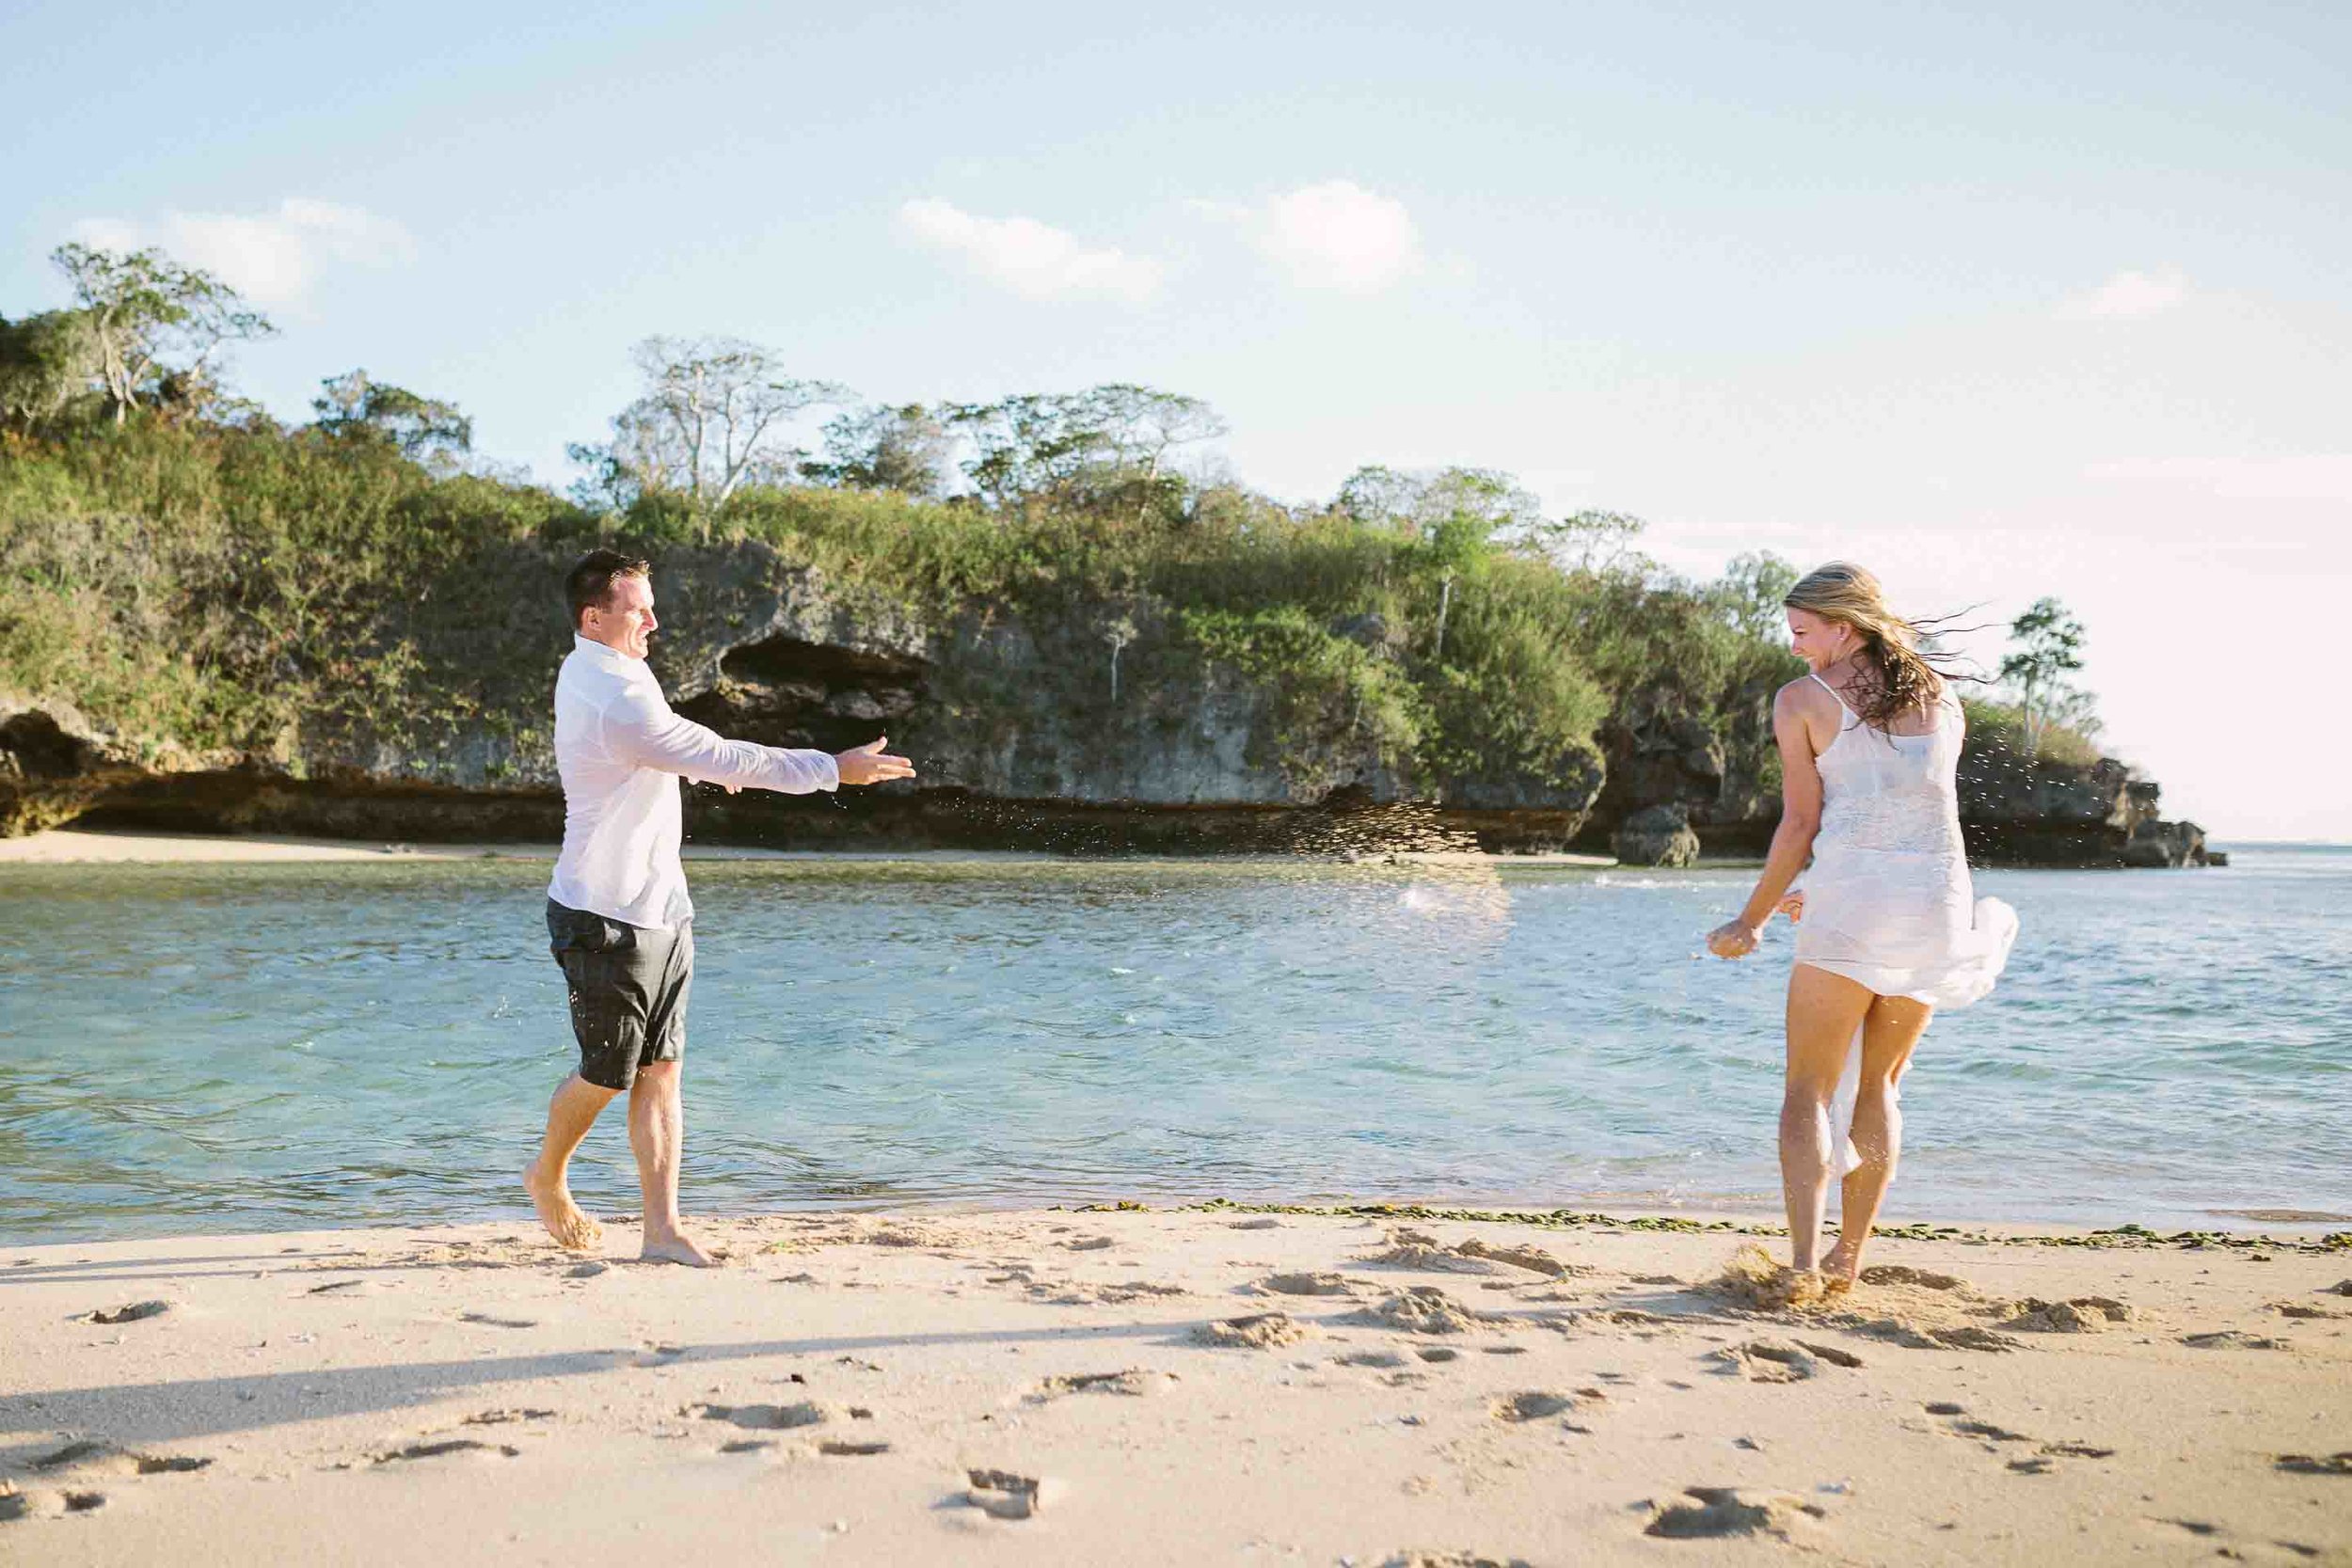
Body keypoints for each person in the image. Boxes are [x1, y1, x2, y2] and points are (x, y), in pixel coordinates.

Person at [522, 549, 914, 1265]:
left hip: (662, 904)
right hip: (603, 912)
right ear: (594, 616)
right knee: (607, 1072)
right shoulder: (613, 691)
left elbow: (671, 750)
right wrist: (834, 769)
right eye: (638, 608)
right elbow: (714, 752)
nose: (653, 619)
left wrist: (697, 763)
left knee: (661, 1069)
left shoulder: (611, 668)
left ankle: (662, 1230)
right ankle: (547, 1174)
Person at [1706, 562, 2016, 1289]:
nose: (1794, 646)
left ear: (1844, 627)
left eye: (1802, 631)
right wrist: (1824, 884)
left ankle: (1805, 1264)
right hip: (1936, 903)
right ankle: (1850, 1261)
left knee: (1808, 1090)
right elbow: (1911, 811)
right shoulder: (1942, 697)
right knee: (1879, 1086)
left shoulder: (1801, 700)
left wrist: (1750, 920)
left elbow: (1803, 821)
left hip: (1855, 902)